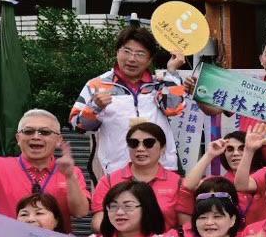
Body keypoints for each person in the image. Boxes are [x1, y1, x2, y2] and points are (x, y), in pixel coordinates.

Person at [70, 25, 188, 174]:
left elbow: (173, 109)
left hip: (163, 169)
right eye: (126, 51)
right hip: (118, 172)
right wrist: (94, 107)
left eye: (140, 54)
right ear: (117, 52)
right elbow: (77, 125)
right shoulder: (97, 85)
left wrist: (171, 72)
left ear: (150, 59)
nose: (132, 59)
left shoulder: (159, 84)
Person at [0, 109, 89, 223]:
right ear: (18, 138)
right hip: (8, 234)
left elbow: (80, 212)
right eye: (28, 131)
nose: (36, 136)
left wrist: (70, 177)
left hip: (55, 235)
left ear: (58, 139)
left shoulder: (72, 172)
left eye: (45, 132)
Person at [179, 132, 254, 223]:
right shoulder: (217, 182)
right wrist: (209, 154)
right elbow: (188, 185)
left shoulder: (264, 176)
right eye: (230, 149)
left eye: (242, 148)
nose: (235, 153)